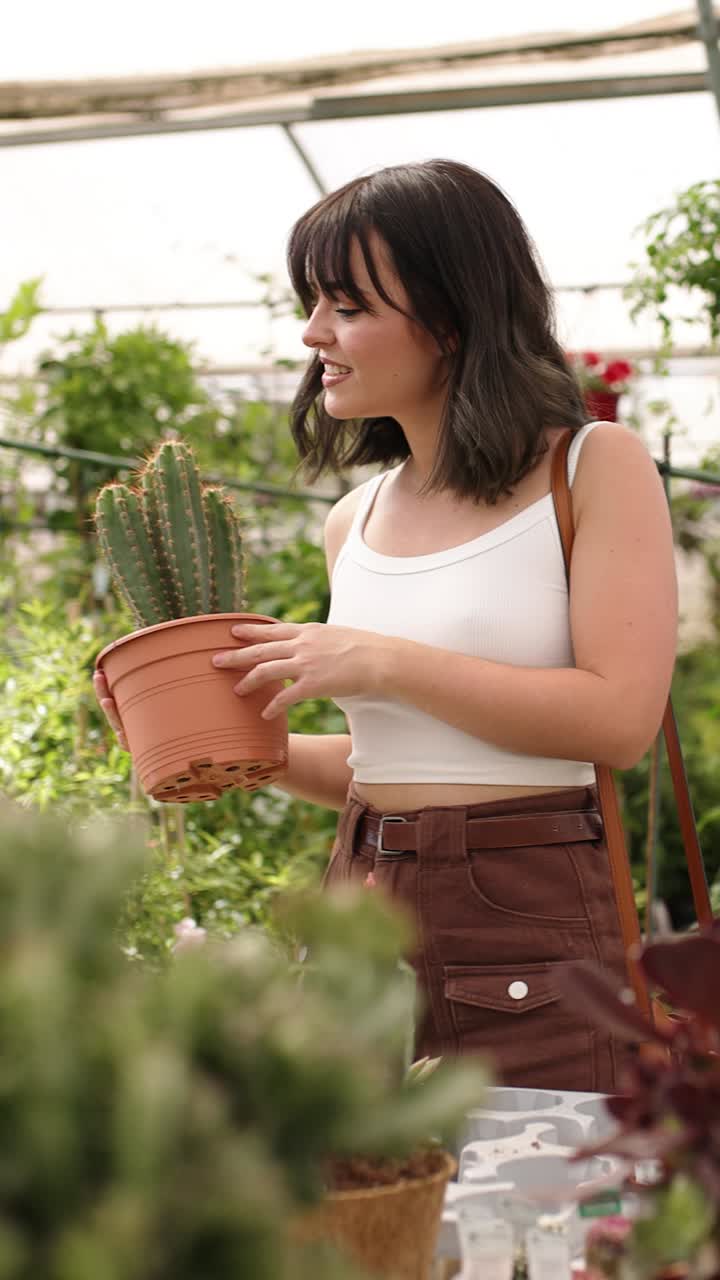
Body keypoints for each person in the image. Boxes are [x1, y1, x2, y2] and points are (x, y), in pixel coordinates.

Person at [95, 159, 677, 1092]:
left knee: (539, 1217)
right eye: (314, 302)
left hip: (523, 907)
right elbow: (392, 762)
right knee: (364, 1221)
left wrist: (379, 661)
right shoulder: (352, 520)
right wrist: (249, 752)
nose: (312, 332)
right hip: (362, 897)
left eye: (348, 306)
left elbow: (618, 721)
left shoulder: (592, 468)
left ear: (452, 318)